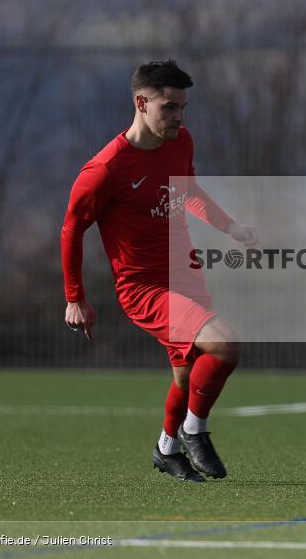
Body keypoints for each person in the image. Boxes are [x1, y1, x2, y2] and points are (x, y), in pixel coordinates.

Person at [61, 60, 258, 483]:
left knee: (187, 379)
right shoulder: (105, 170)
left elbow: (189, 192)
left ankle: (166, 449)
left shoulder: (181, 141)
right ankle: (194, 430)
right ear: (141, 103)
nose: (178, 117)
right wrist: (74, 296)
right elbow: (72, 227)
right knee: (225, 345)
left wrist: (230, 227)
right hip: (145, 288)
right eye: (169, 107)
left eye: (183, 107)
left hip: (185, 273)